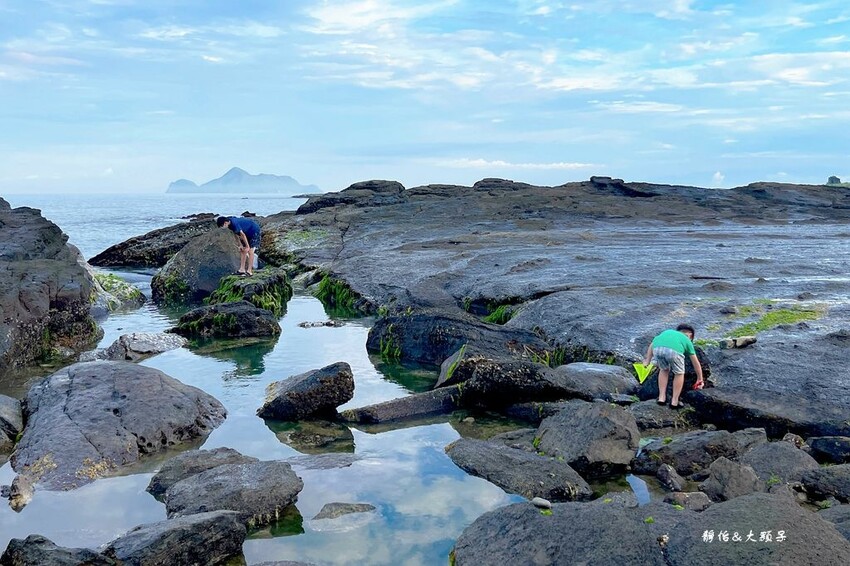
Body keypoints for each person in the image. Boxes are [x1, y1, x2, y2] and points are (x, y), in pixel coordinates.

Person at [643, 323, 704, 409]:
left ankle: (661, 398)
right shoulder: (687, 340)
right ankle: (674, 401)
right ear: (691, 336)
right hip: (673, 352)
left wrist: (647, 361)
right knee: (679, 373)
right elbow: (695, 362)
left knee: (663, 370)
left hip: (657, 349)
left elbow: (652, 344)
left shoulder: (668, 332)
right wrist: (700, 379)